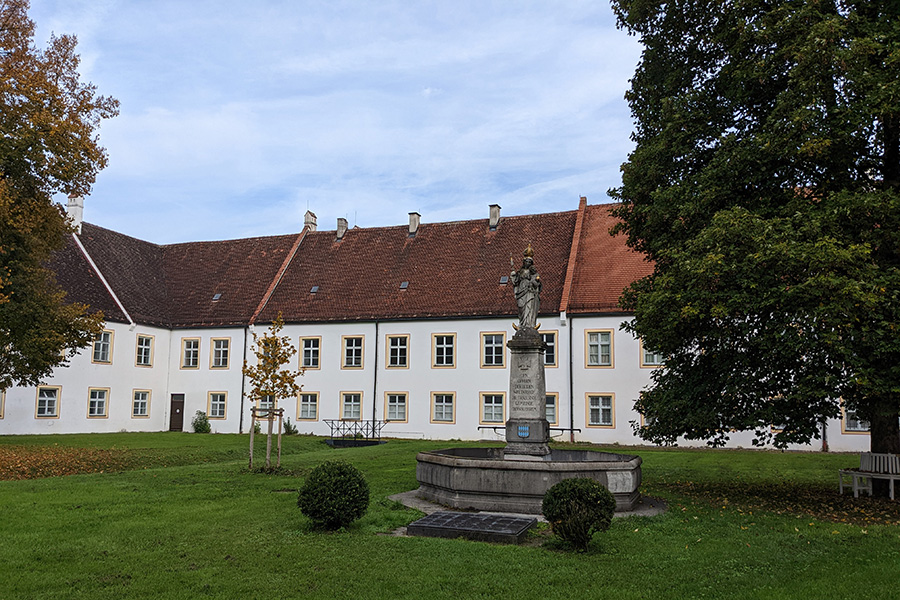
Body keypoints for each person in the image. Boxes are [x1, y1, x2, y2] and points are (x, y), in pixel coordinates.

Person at [511, 245, 541, 329]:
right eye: (526, 261)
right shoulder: (520, 272)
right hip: (521, 291)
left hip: (529, 292)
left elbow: (537, 285)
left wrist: (535, 282)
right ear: (523, 262)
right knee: (521, 307)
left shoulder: (533, 273)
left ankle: (529, 325)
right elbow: (515, 282)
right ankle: (522, 324)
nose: (527, 263)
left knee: (529, 307)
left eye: (529, 262)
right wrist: (513, 275)